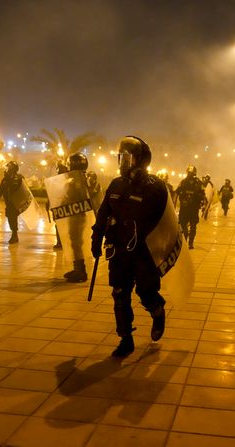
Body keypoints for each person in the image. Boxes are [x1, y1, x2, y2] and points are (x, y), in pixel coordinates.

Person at [91, 136, 168, 357]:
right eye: (120, 157)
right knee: (119, 294)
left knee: (145, 291)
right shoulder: (116, 184)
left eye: (128, 158)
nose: (123, 162)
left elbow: (161, 221)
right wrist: (96, 239)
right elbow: (104, 213)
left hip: (144, 252)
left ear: (140, 160)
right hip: (119, 250)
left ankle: (157, 310)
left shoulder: (155, 187)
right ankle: (125, 338)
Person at [62, 152, 92, 283]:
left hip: (77, 215)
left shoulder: (79, 180)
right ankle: (77, 268)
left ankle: (80, 271)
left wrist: (65, 202)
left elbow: (78, 196)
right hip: (74, 214)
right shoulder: (82, 178)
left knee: (76, 242)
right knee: (74, 242)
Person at [0, 161, 25, 244]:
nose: (8, 168)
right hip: (8, 203)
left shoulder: (19, 178)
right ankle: (14, 234)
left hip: (15, 203)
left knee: (13, 218)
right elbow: (0, 190)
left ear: (14, 168)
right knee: (10, 218)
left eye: (9, 167)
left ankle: (14, 235)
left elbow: (23, 190)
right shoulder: (5, 179)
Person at [176, 165, 206, 249]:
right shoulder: (183, 182)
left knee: (193, 226)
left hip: (194, 208)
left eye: (191, 173)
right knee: (183, 225)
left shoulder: (199, 183)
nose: (189, 175)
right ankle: (185, 240)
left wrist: (200, 199)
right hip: (184, 208)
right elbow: (177, 192)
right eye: (188, 173)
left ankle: (190, 243)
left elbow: (203, 194)